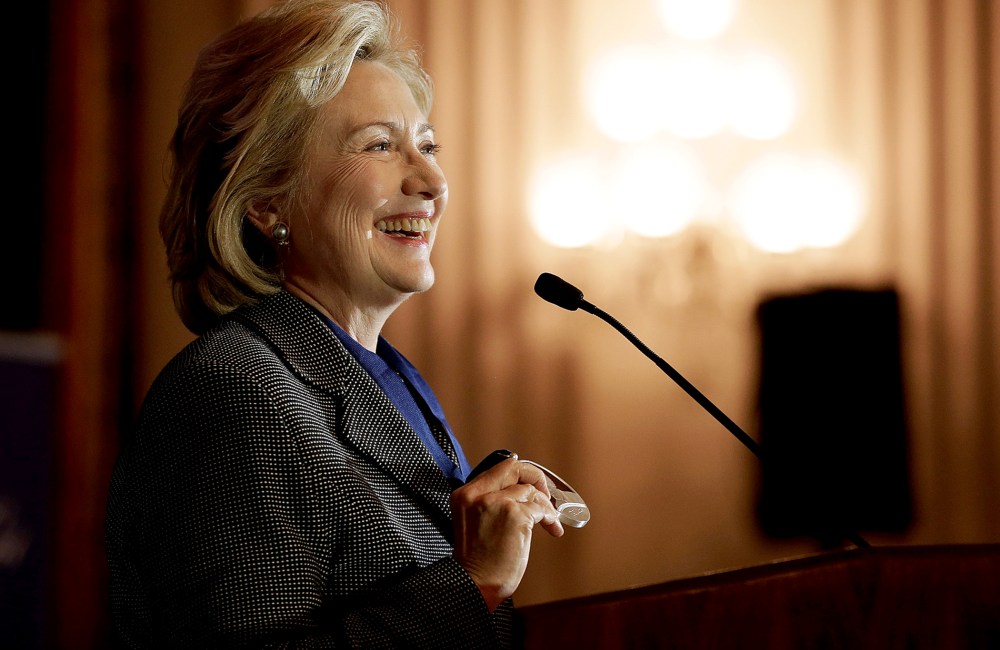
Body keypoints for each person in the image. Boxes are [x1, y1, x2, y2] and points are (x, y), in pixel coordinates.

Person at [103, 0, 564, 647]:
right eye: (380, 144)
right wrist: (472, 586)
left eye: (427, 145)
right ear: (267, 199)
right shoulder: (231, 395)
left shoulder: (387, 383)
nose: (433, 180)